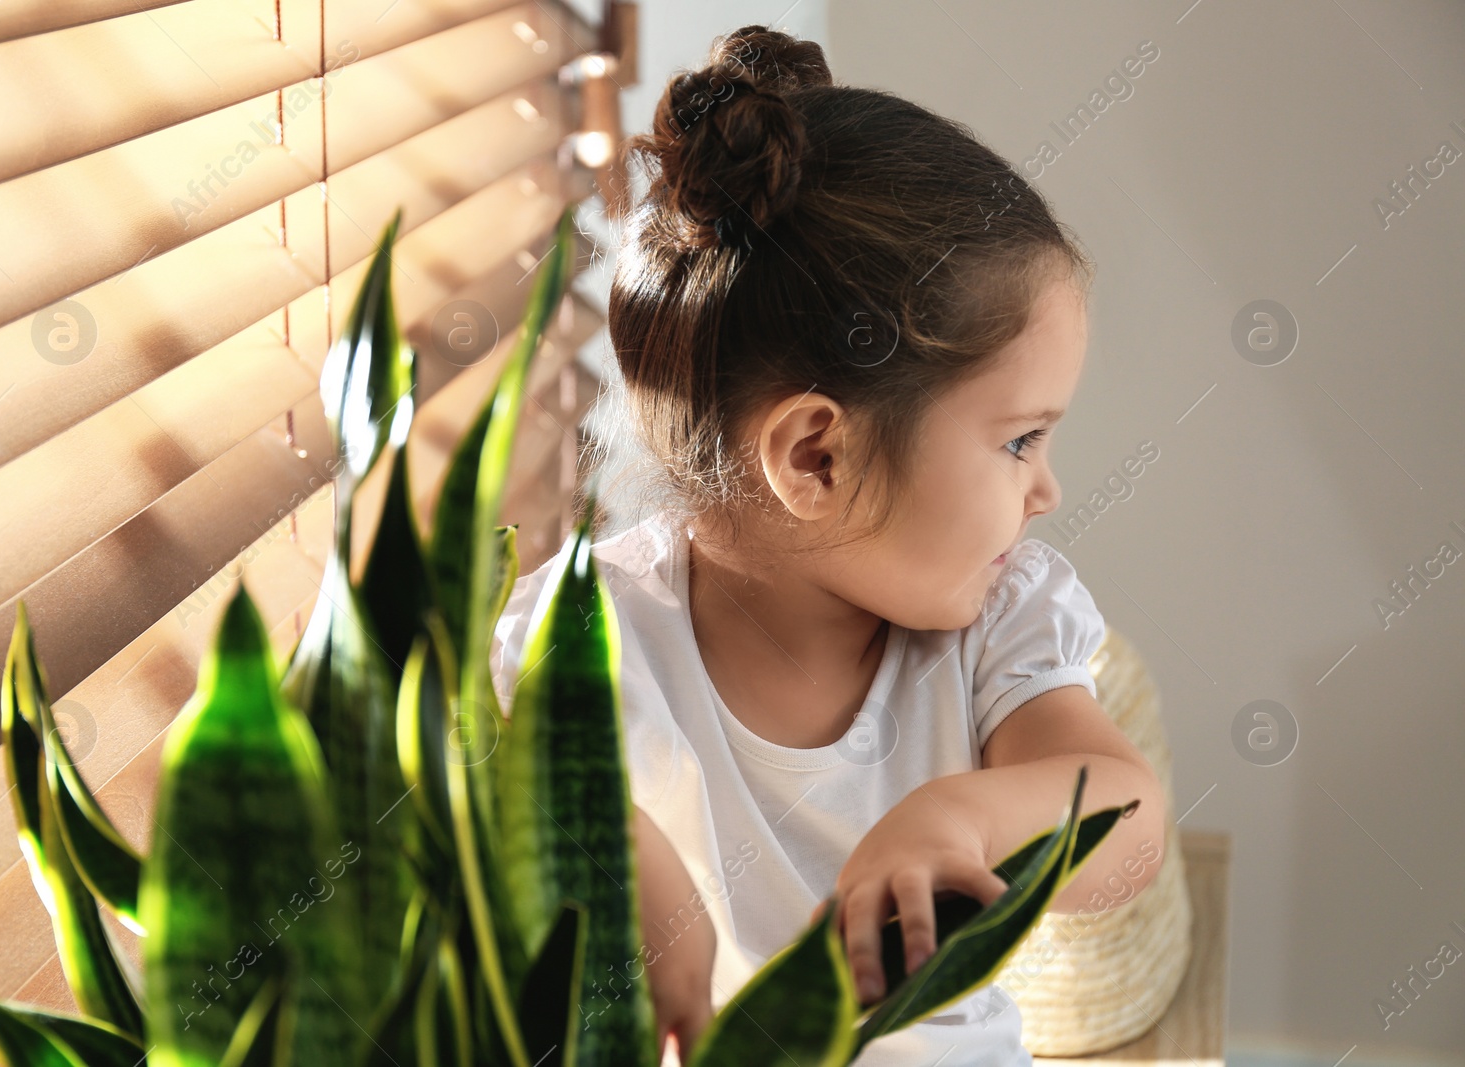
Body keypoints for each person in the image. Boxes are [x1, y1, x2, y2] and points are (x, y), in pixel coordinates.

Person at [489, 23, 1168, 1066]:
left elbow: (1126, 816)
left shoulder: (997, 621)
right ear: (815, 457)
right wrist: (608, 843)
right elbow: (473, 809)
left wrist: (963, 819)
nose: (1046, 489)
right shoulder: (589, 632)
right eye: (1018, 439)